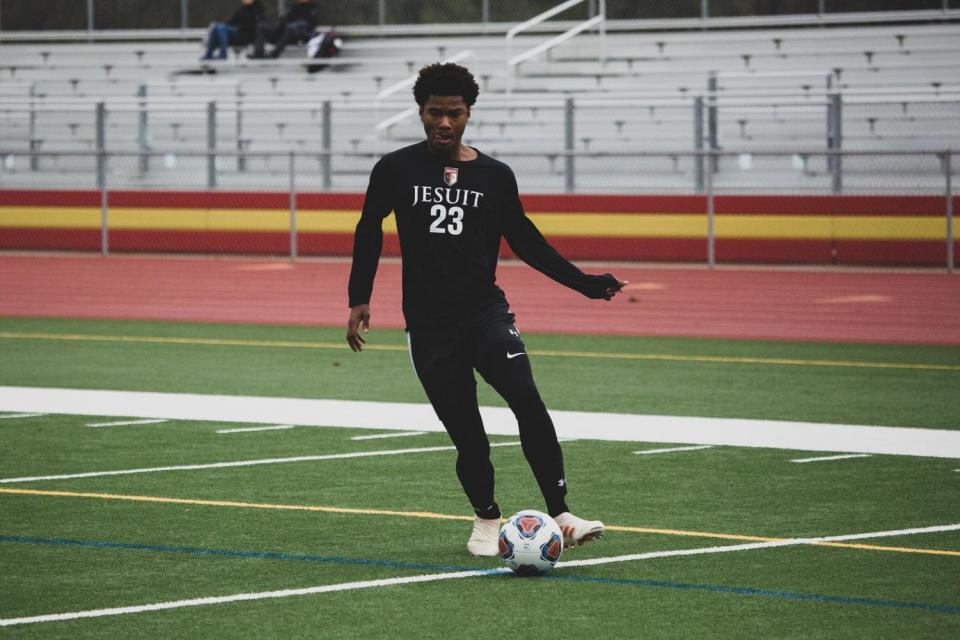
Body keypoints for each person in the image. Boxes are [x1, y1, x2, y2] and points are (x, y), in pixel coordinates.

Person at [346, 63, 627, 557]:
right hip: (430, 328)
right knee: (469, 436)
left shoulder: (495, 176)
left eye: (454, 113)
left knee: (528, 402)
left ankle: (561, 514)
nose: (444, 123)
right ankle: (485, 519)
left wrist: (584, 284)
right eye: (435, 113)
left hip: (486, 316)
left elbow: (525, 241)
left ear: (469, 113)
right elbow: (369, 228)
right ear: (420, 112)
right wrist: (359, 296)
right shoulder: (395, 168)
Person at [248, 0, 318, 59]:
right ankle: (258, 53)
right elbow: (284, 22)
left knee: (291, 29)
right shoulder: (294, 7)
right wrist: (278, 26)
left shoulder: (311, 9)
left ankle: (274, 54)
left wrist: (292, 26)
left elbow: (309, 25)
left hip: (297, 37)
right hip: (282, 35)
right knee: (261, 27)